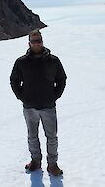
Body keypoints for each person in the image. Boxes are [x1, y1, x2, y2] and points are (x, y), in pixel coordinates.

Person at [10, 29, 67, 176]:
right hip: (30, 107)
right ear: (29, 43)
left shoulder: (53, 61)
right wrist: (22, 97)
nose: (37, 43)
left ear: (42, 41)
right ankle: (35, 161)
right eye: (34, 41)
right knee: (32, 136)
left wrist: (55, 96)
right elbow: (14, 80)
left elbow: (61, 79)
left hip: (48, 106)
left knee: (52, 137)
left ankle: (52, 165)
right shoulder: (21, 62)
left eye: (39, 40)